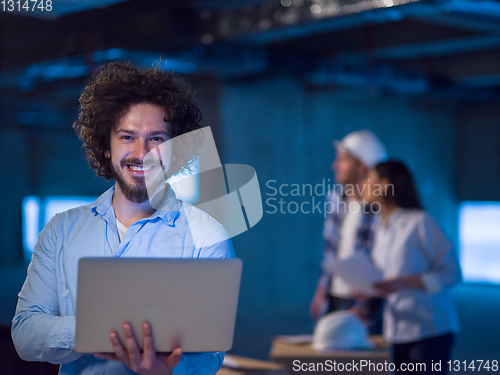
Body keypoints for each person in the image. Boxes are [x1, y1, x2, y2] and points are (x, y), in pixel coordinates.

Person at [11, 62, 235, 375]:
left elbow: (210, 352)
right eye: (127, 136)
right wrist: (105, 330)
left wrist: (166, 370)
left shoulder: (207, 236)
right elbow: (26, 334)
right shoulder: (61, 231)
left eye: (157, 138)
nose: (141, 152)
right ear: (106, 146)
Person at [364, 161, 461, 374]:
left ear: (383, 185)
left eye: (368, 179)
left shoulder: (421, 222)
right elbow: (385, 276)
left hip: (429, 330)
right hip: (396, 331)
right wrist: (367, 289)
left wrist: (406, 283)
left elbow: (452, 272)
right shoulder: (382, 228)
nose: (363, 185)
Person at [310, 130, 387, 333]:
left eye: (343, 160)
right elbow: (331, 249)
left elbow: (384, 263)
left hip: (366, 303)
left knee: (362, 363)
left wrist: (368, 306)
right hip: (334, 295)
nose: (335, 166)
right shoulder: (335, 197)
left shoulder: (382, 207)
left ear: (363, 167)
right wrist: (321, 289)